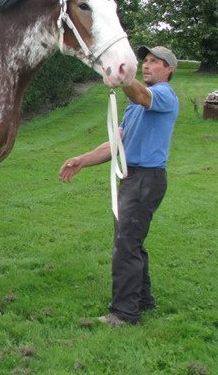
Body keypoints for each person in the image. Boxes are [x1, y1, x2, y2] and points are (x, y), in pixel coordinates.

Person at [59, 46, 179, 326]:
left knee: (126, 244)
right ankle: (143, 300)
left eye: (154, 62)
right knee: (131, 240)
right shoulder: (135, 106)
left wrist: (122, 72)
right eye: (145, 61)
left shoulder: (163, 95)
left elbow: (140, 93)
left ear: (169, 70)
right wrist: (82, 160)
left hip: (146, 179)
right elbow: (116, 143)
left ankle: (124, 313)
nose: (147, 65)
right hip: (133, 177)